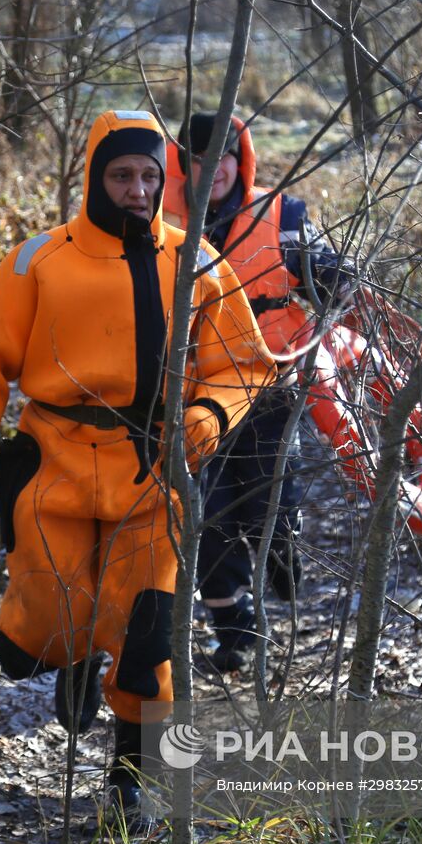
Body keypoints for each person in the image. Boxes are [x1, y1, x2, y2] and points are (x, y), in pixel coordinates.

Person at [0, 110, 274, 820]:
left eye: (151, 175)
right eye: (122, 175)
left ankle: (129, 780)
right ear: (95, 176)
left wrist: (210, 413)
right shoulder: (38, 261)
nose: (138, 189)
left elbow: (243, 363)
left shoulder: (196, 262)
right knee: (49, 621)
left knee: (149, 635)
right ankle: (75, 656)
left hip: (153, 472)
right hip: (52, 461)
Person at [163, 112, 348, 673]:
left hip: (271, 386)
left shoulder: (282, 214)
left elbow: (336, 277)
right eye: (196, 159)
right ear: (181, 166)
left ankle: (282, 545)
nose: (210, 169)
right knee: (209, 513)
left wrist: (334, 287)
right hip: (196, 400)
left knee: (268, 500)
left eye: (221, 155)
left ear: (238, 159)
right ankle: (234, 627)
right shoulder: (161, 225)